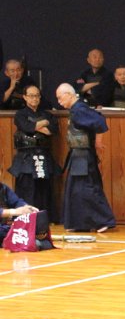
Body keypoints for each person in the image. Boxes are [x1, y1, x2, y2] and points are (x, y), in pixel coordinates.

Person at [56, 83, 116, 233]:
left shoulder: (80, 109)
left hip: (83, 156)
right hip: (77, 155)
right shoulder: (75, 109)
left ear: (69, 94)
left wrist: (98, 142)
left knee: (87, 188)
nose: (59, 102)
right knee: (75, 190)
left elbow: (100, 121)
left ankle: (104, 220)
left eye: (60, 97)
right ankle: (79, 223)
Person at [9, 84, 60, 219]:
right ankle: (25, 218)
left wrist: (36, 126)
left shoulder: (47, 114)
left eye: (37, 95)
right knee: (27, 187)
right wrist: (43, 123)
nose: (35, 98)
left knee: (44, 188)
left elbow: (52, 131)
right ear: (25, 97)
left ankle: (44, 218)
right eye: (31, 96)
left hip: (43, 154)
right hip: (26, 157)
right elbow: (27, 127)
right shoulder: (20, 114)